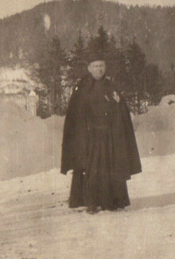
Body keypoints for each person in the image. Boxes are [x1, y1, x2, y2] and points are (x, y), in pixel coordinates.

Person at [60, 54, 142, 213]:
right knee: (90, 169)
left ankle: (110, 202)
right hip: (88, 137)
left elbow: (120, 109)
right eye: (96, 66)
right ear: (89, 68)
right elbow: (75, 114)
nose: (99, 69)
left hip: (108, 136)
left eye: (101, 66)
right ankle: (90, 202)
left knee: (110, 167)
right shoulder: (82, 87)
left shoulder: (111, 86)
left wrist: (117, 112)